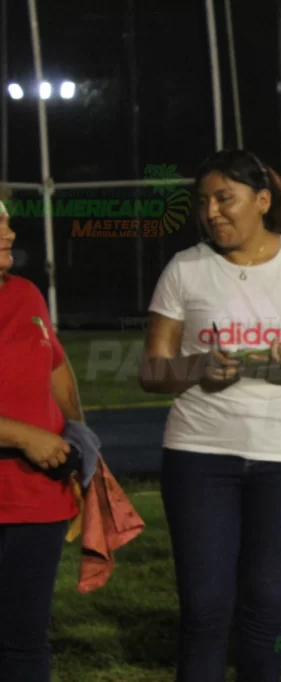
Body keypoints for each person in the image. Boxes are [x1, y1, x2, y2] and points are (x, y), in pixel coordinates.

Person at [138, 149, 281, 682]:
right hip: (199, 454)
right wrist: (198, 367)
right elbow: (152, 370)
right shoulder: (185, 267)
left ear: (262, 201)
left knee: (263, 608)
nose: (211, 212)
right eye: (203, 202)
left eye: (224, 199)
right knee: (204, 610)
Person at [0, 198, 86, 680]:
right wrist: (22, 436)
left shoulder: (27, 293)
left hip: (38, 498)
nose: (9, 233)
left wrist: (79, 435)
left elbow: (54, 365)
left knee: (26, 639)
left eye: (7, 221)